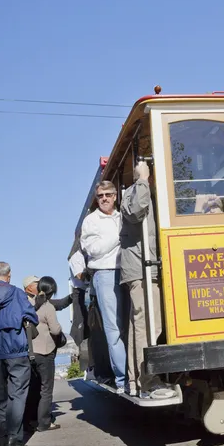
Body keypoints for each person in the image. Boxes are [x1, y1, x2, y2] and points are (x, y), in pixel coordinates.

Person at [120, 161, 175, 399]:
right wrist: (141, 180)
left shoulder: (156, 192)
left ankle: (141, 379)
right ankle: (147, 381)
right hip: (141, 269)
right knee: (147, 324)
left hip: (156, 266)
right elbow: (135, 212)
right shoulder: (131, 192)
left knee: (149, 323)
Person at [0, 262, 38, 446]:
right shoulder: (18, 294)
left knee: (0, 397)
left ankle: (1, 438)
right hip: (16, 349)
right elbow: (31, 316)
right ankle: (15, 437)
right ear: (9, 275)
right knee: (17, 394)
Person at [80, 181, 127, 391]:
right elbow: (94, 250)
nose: (105, 198)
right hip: (105, 274)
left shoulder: (122, 216)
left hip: (129, 271)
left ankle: (134, 374)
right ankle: (122, 379)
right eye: (101, 196)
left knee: (131, 325)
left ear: (115, 196)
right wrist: (119, 237)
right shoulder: (91, 221)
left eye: (109, 194)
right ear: (97, 199)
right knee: (113, 328)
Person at [25, 276, 64, 433]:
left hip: (31, 352)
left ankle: (31, 420)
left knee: (33, 388)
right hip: (46, 352)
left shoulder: (30, 304)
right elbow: (55, 330)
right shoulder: (47, 307)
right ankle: (44, 422)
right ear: (52, 291)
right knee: (46, 389)